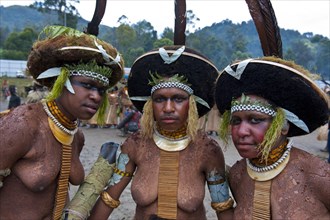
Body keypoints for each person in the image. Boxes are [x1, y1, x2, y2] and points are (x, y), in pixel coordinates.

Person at [85, 45, 233, 219]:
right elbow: (109, 197)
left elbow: (222, 208)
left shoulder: (208, 150)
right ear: (150, 105)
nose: (168, 108)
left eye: (178, 99)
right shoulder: (135, 145)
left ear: (191, 105)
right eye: (160, 99)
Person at [0, 25, 124, 219]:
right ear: (61, 80)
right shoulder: (24, 124)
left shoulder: (76, 137)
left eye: (101, 90)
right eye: (87, 85)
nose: (95, 96)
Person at [214, 57, 330, 219]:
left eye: (256, 120)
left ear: (283, 126)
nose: (241, 132)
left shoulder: (319, 175)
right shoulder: (237, 175)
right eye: (235, 121)